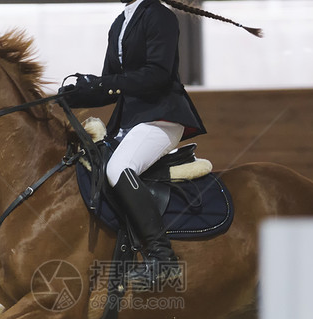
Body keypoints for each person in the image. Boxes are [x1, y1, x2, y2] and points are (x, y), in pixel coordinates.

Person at [60, 0, 261, 292]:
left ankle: (163, 259)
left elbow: (157, 74)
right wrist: (76, 95)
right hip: (130, 122)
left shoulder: (159, 16)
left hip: (162, 118)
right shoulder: (120, 23)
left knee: (119, 168)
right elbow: (112, 84)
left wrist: (102, 84)